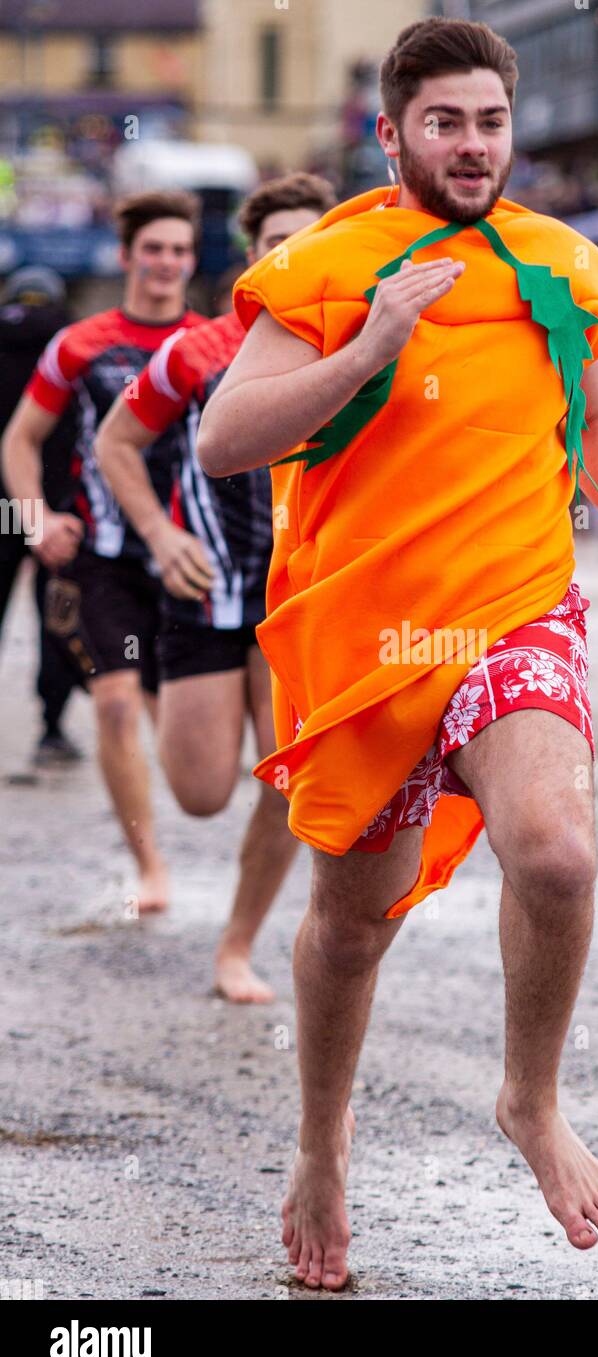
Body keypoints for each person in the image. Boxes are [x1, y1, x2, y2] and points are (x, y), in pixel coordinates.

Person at [197, 16, 598, 1290]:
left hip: (515, 607)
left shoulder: (561, 262)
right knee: (352, 929)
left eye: (488, 122)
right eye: (443, 123)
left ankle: (529, 1101)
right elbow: (222, 438)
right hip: (368, 642)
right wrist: (368, 347)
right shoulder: (328, 261)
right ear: (391, 131)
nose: (471, 147)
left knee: (559, 852)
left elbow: (585, 397)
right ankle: (322, 1143)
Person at [94, 174, 337, 1002]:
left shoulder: (353, 347)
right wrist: (158, 537)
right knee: (201, 794)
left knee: (291, 780)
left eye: (311, 240)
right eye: (278, 244)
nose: (295, 255)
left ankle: (237, 946)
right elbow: (115, 442)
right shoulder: (194, 352)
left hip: (296, 602)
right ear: (253, 256)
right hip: (201, 594)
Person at [2, 192, 205, 912]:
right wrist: (34, 519)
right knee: (116, 703)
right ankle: (149, 864)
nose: (167, 263)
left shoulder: (211, 343)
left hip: (189, 556)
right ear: (126, 257)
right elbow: (20, 439)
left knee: (185, 736)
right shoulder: (80, 344)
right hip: (104, 554)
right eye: (154, 248)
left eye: (180, 250)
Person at [0, 266, 86, 764]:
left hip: (1, 507)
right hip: (53, 508)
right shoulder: (72, 344)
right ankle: (51, 728)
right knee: (55, 616)